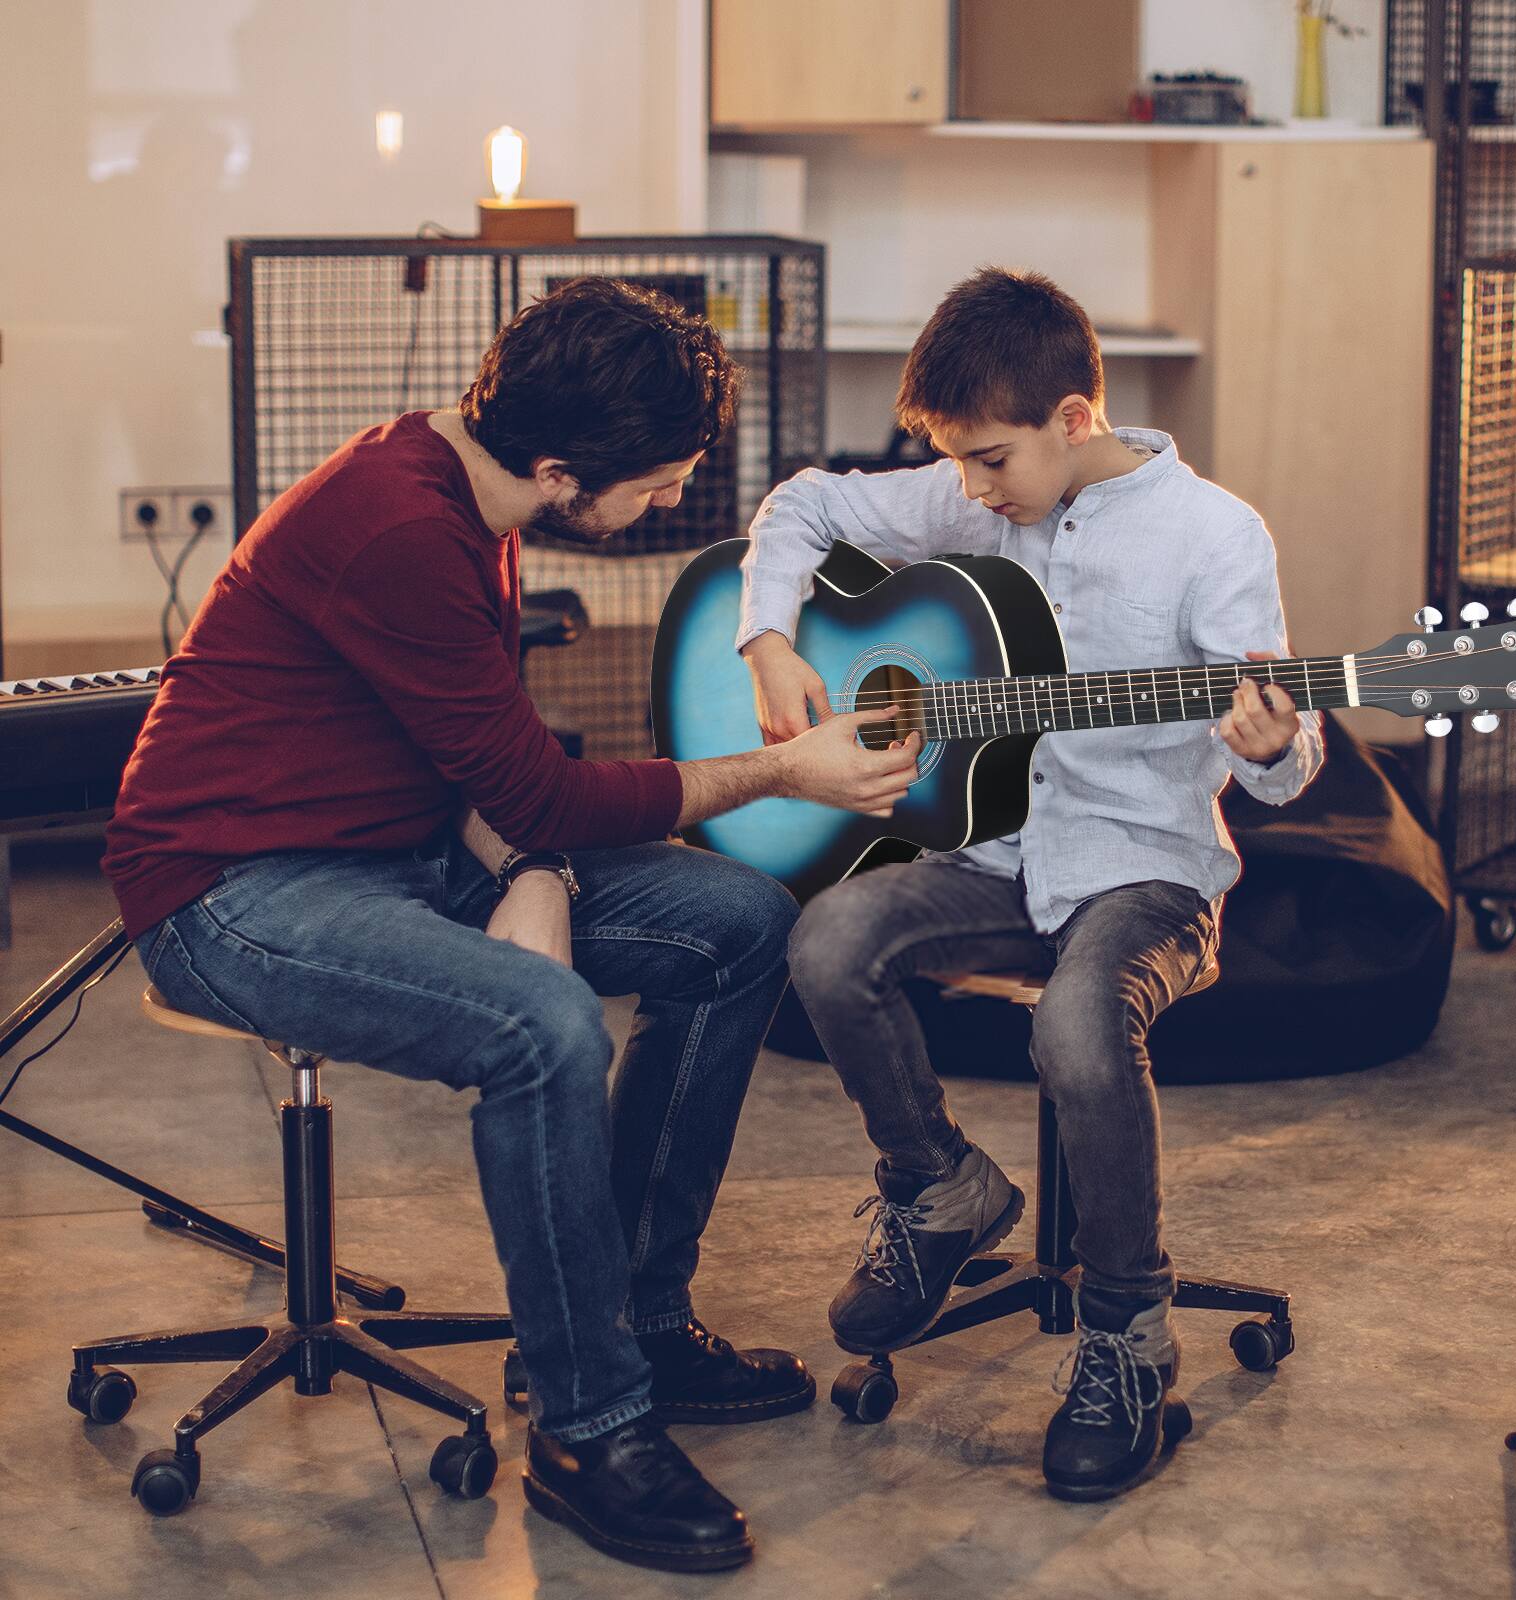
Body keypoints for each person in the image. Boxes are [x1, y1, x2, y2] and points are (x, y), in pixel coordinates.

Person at [103, 278, 919, 1573]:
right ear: (557, 470)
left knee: (737, 920)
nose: (667, 504)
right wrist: (781, 772)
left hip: (408, 851)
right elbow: (535, 785)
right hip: (234, 891)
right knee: (538, 1021)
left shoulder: (464, 494)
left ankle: (639, 1322)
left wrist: (532, 865)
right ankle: (590, 1424)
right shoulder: (401, 528)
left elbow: (495, 772)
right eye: (657, 484)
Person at [737, 267, 1324, 1503]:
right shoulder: (981, 503)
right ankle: (940, 1187)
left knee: (1076, 1017)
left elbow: (1281, 738)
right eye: (954, 462)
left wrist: (1274, 746)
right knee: (828, 939)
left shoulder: (1214, 534)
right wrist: (771, 638)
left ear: (1072, 418)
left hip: (1148, 869)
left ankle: (1126, 1332)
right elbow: (801, 505)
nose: (969, 487)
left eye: (989, 458)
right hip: (1004, 852)